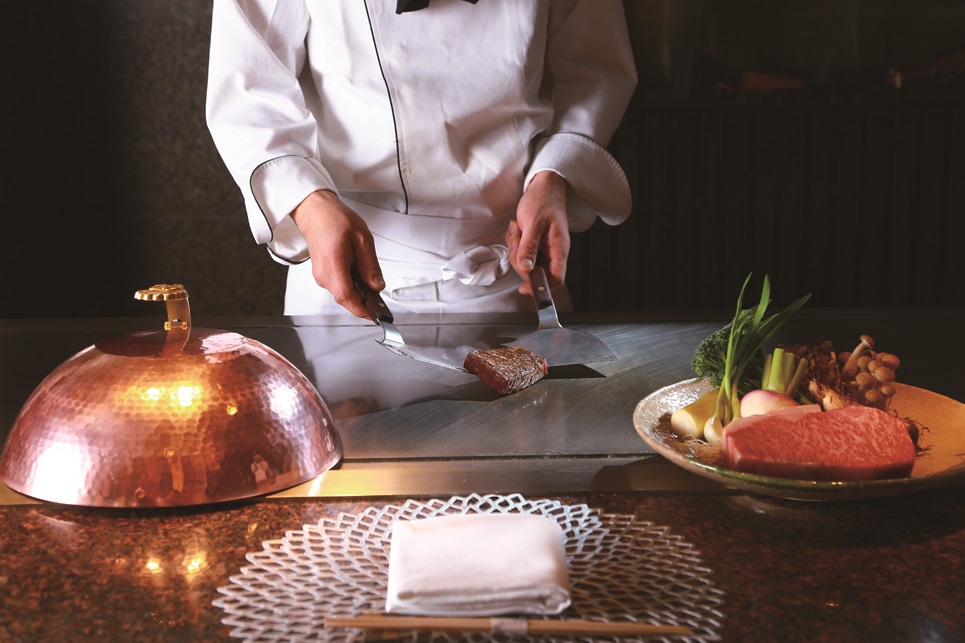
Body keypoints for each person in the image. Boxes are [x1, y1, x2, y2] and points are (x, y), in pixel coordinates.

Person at [206, 0, 637, 319]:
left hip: (512, 272)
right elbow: (250, 90)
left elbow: (594, 70)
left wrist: (552, 178)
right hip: (346, 280)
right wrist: (309, 204)